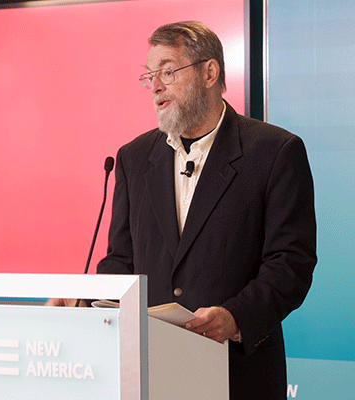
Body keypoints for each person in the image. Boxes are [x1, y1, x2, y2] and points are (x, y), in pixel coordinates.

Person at [49, 21, 317, 399]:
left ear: (210, 72)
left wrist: (235, 317)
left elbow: (290, 264)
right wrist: (84, 298)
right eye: (149, 75)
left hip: (237, 374)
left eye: (168, 71)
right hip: (149, 374)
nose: (155, 85)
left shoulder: (274, 153)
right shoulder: (134, 158)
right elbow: (121, 262)